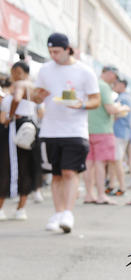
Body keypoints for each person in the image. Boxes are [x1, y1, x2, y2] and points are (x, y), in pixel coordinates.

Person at [32, 32, 100, 233]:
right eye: (50, 51)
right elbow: (36, 98)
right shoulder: (45, 70)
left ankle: (68, 213)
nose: (53, 55)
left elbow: (96, 100)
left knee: (70, 172)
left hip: (76, 130)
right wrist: (37, 96)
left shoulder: (85, 72)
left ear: (68, 49)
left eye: (57, 51)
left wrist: (81, 104)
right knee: (56, 175)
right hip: (50, 130)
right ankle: (58, 212)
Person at [0, 61, 41, 220]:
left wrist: (10, 116)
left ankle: (2, 207)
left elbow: (16, 100)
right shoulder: (32, 86)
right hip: (27, 129)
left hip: (15, 129)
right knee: (25, 167)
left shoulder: (20, 84)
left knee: (6, 167)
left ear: (18, 71)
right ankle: (20, 208)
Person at [83, 65, 129, 205]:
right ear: (109, 73)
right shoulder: (104, 87)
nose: (115, 80)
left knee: (89, 164)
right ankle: (101, 195)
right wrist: (122, 108)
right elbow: (110, 109)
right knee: (100, 164)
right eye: (114, 77)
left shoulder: (92, 84)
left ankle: (89, 194)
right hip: (103, 130)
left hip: (88, 128)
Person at [107, 78, 131, 196]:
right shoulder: (126, 97)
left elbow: (117, 114)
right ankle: (112, 185)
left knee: (117, 160)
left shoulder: (123, 98)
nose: (113, 86)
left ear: (122, 85)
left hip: (119, 132)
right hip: (122, 133)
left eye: (115, 84)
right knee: (114, 160)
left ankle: (121, 187)